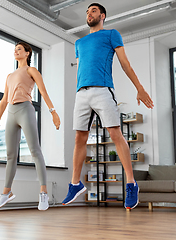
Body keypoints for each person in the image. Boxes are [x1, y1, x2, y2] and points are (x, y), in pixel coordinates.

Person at [62, 3, 154, 209]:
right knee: (79, 137)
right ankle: (75, 184)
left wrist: (139, 88)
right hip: (81, 93)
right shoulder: (79, 42)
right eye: (87, 11)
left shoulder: (112, 34)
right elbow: (82, 68)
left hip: (103, 90)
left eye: (93, 11)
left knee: (114, 134)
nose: (89, 14)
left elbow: (125, 63)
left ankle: (131, 184)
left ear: (102, 15)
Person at [0, 42, 60, 211]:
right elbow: (4, 100)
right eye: (14, 49)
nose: (16, 51)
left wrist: (53, 112)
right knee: (10, 155)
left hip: (25, 110)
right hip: (11, 114)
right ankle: (6, 193)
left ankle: (43, 192)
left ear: (27, 53)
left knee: (35, 151)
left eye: (19, 49)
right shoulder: (9, 76)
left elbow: (43, 92)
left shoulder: (31, 71)